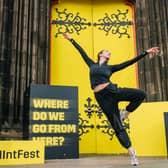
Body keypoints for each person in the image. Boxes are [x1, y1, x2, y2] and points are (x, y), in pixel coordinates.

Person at [62, 32, 159, 166]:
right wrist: (71, 39)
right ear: (100, 54)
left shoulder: (110, 68)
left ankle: (125, 113)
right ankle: (131, 152)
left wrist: (146, 52)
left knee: (141, 94)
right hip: (102, 98)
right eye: (107, 52)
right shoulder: (91, 64)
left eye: (110, 53)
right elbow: (81, 51)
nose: (109, 53)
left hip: (113, 91)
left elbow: (128, 63)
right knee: (117, 126)